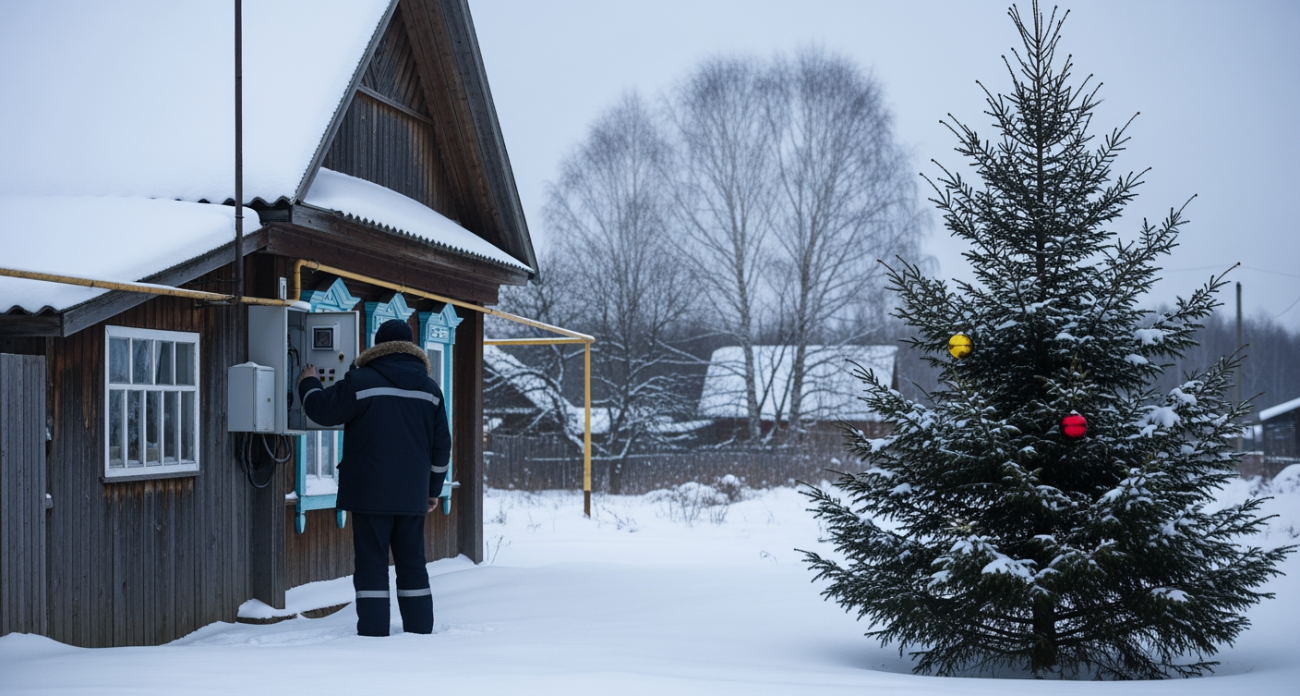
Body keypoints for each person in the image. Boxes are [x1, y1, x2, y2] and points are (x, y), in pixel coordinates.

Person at [296, 318, 451, 637]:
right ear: (412, 349)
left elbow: (322, 411)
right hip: (412, 497)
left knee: (372, 564)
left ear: (378, 346)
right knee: (412, 564)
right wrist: (432, 490)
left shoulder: (361, 381)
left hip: (369, 494)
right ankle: (421, 631)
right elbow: (441, 446)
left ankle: (374, 633)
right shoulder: (431, 391)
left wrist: (308, 382)